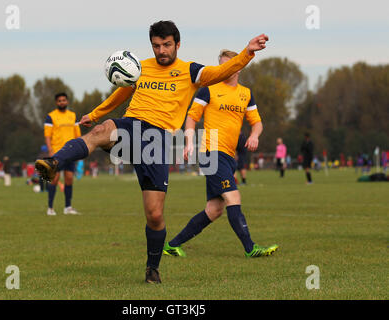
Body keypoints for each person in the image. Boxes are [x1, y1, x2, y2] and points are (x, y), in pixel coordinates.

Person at [35, 20, 269, 283]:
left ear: (177, 44)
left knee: (155, 214)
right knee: (101, 131)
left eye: (167, 45)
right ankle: (53, 162)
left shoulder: (190, 71)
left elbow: (223, 70)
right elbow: (121, 94)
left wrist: (247, 52)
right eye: (156, 46)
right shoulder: (140, 67)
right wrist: (96, 113)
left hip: (157, 142)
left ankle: (152, 269)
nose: (161, 51)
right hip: (132, 126)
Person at [163, 49, 278, 259]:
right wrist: (189, 142)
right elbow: (191, 118)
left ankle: (172, 245)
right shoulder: (209, 89)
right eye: (222, 65)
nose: (225, 70)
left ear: (239, 66)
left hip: (227, 155)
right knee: (234, 197)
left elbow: (257, 122)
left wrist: (255, 135)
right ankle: (250, 248)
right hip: (210, 152)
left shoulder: (246, 93)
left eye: (229, 65)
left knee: (214, 209)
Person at [43, 92, 82, 216]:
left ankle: (68, 207)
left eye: (64, 100)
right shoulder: (51, 117)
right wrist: (50, 150)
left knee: (69, 179)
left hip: (70, 152)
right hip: (57, 153)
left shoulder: (73, 116)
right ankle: (50, 208)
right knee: (54, 179)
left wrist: (79, 149)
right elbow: (47, 135)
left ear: (67, 101)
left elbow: (77, 134)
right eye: (59, 101)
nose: (62, 102)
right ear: (56, 103)